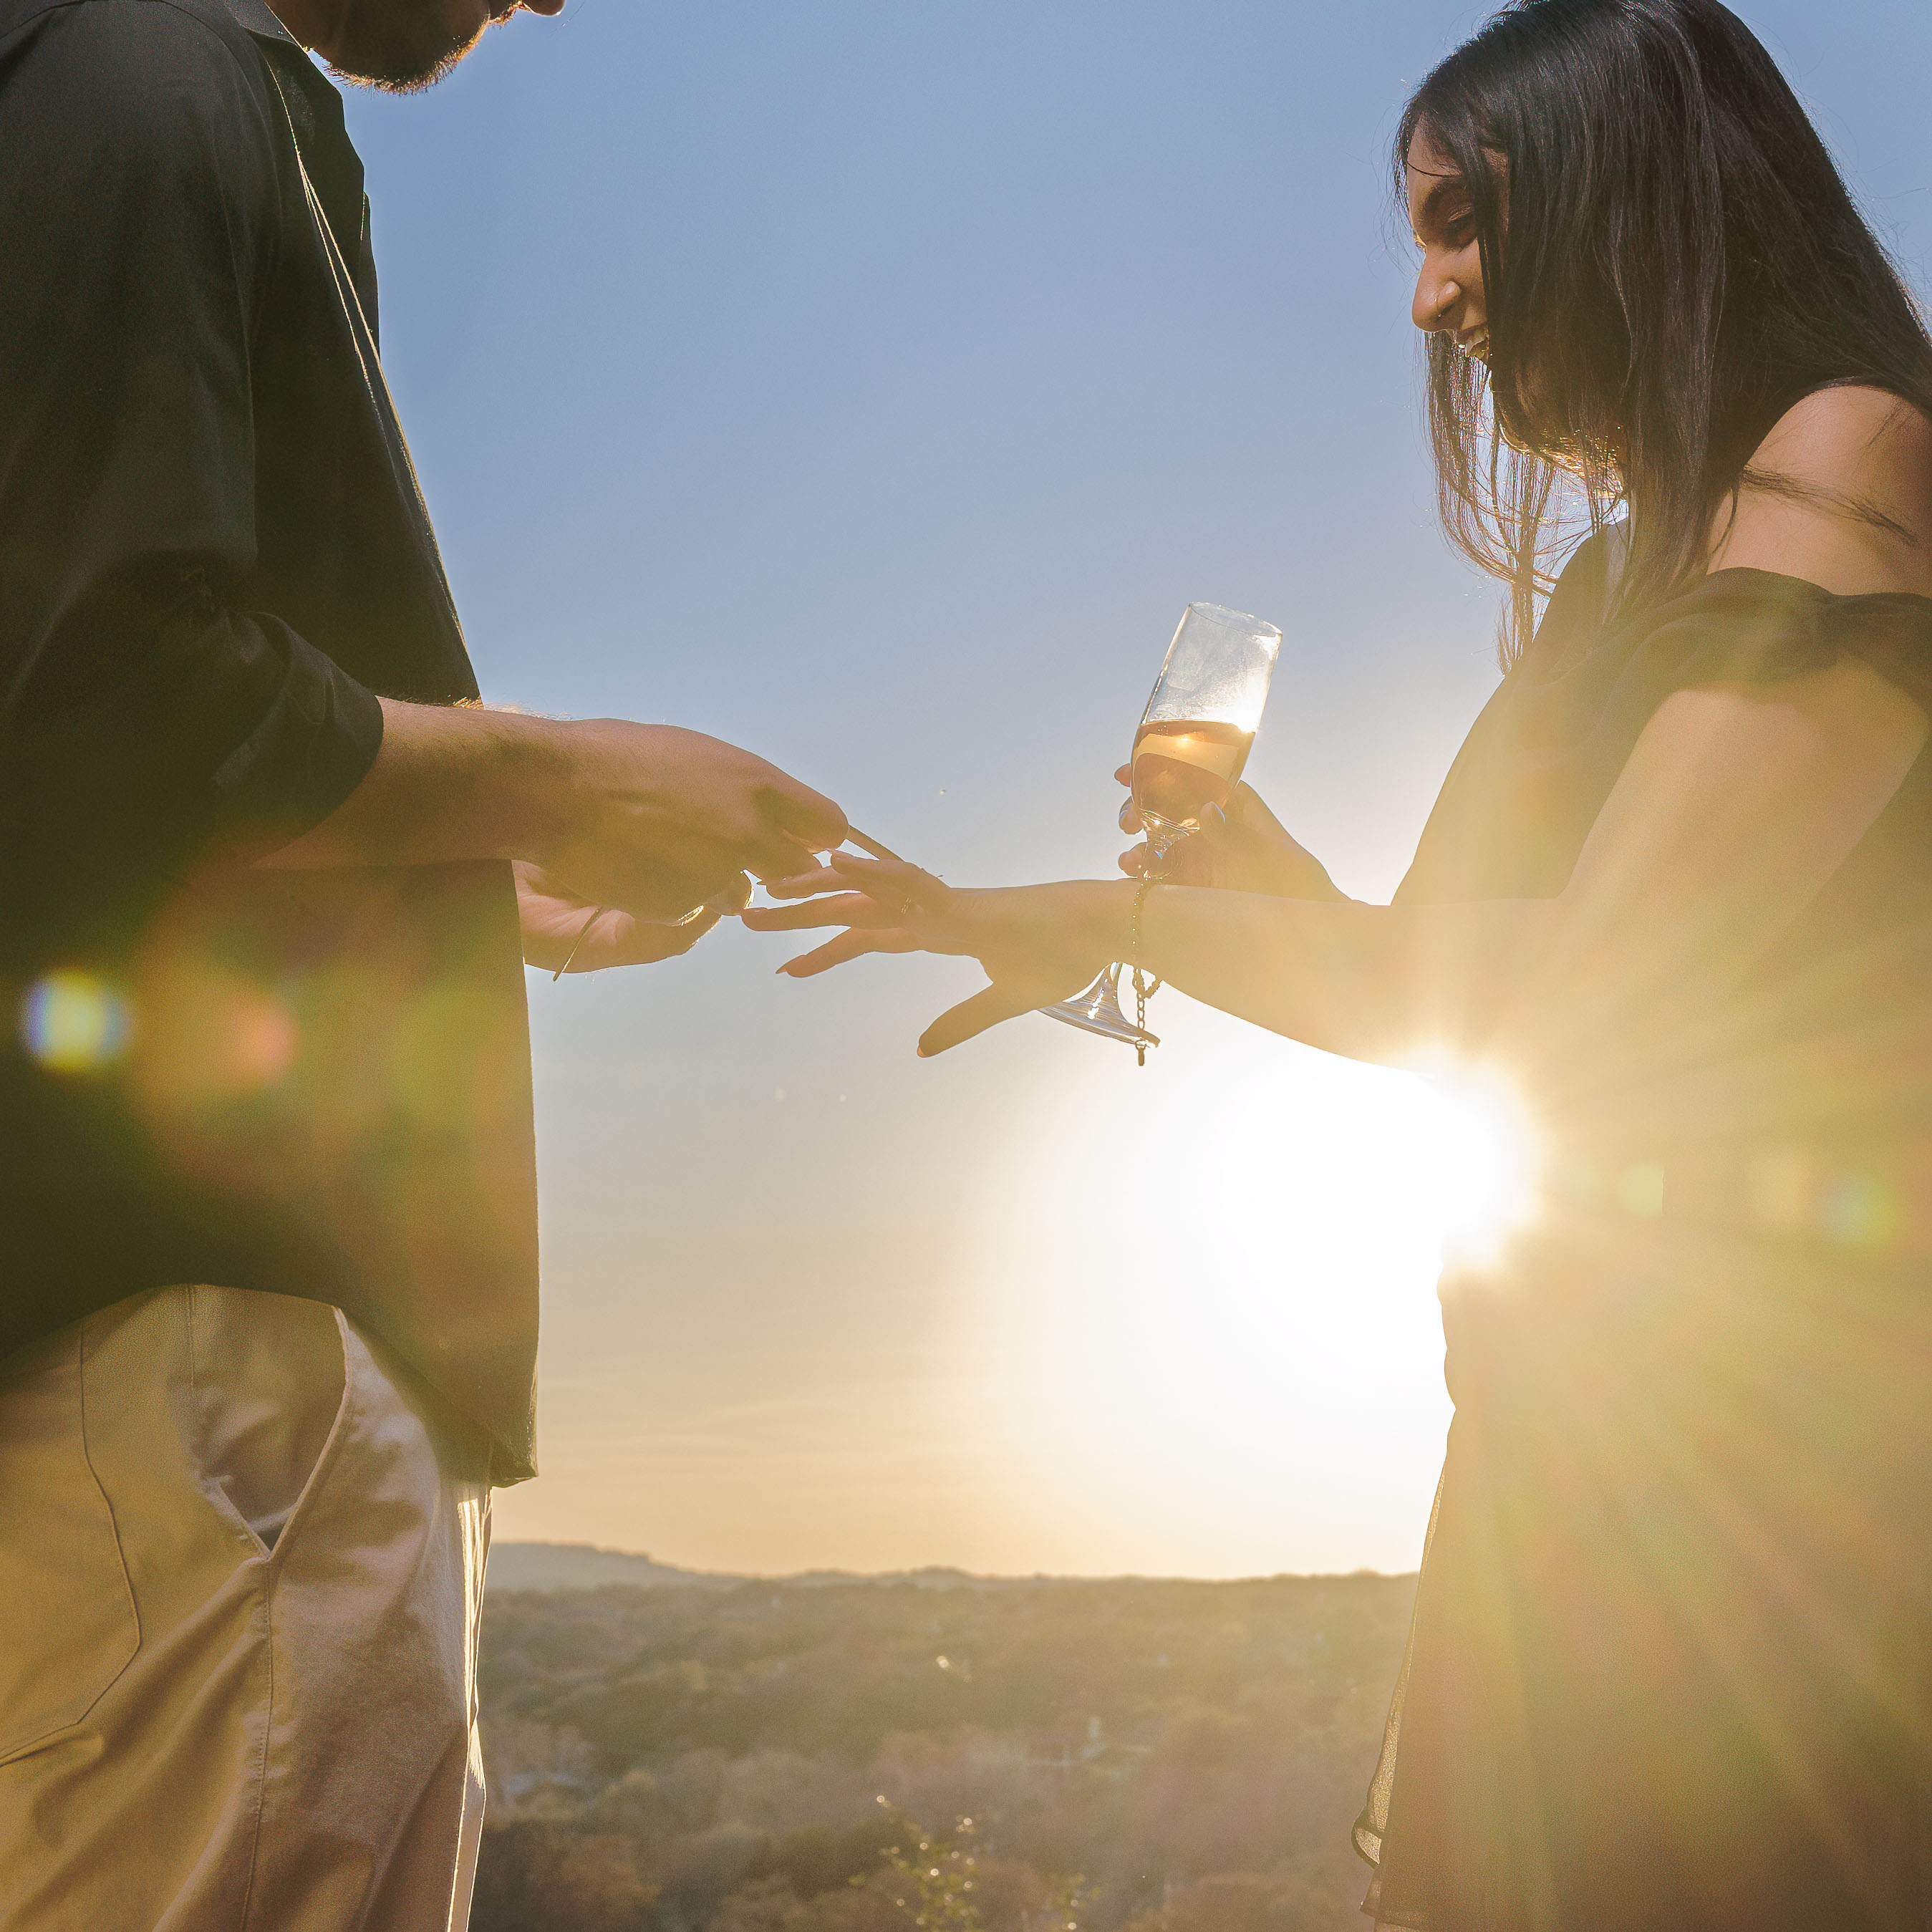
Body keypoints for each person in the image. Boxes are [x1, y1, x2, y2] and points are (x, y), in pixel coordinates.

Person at [745, 2, 1932, 1926]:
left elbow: (1604, 985)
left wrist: (1120, 919)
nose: (1425, 298)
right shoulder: (1618, 580)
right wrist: (1253, 876)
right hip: (1563, 1453)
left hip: (1777, 1522)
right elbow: (1437, 991)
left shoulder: (1850, 464)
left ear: (1628, 194)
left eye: (1463, 220)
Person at [0, 0, 846, 1924]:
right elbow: (120, 701)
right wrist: (550, 769)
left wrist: (472, 892)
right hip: (208, 1381)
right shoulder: (145, 67)